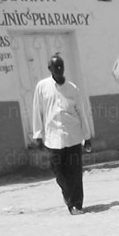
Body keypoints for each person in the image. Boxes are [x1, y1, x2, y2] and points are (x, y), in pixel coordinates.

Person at [31, 54, 94, 215]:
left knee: (75, 172)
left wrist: (87, 137)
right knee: (59, 173)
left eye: (61, 66)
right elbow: (37, 111)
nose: (59, 69)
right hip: (52, 139)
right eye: (55, 66)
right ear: (49, 69)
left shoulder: (72, 88)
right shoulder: (42, 87)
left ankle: (76, 204)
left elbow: (82, 112)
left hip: (73, 136)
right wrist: (38, 135)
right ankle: (69, 198)